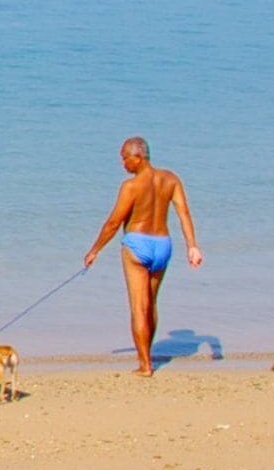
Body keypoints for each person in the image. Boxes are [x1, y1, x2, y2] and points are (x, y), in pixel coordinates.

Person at [81, 135, 201, 376]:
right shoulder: (171, 179)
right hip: (163, 245)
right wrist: (192, 246)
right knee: (151, 304)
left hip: (137, 245)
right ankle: (148, 357)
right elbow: (184, 212)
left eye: (125, 158)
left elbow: (114, 222)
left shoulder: (131, 186)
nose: (122, 163)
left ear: (138, 157)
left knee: (138, 307)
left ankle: (145, 365)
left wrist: (94, 250)